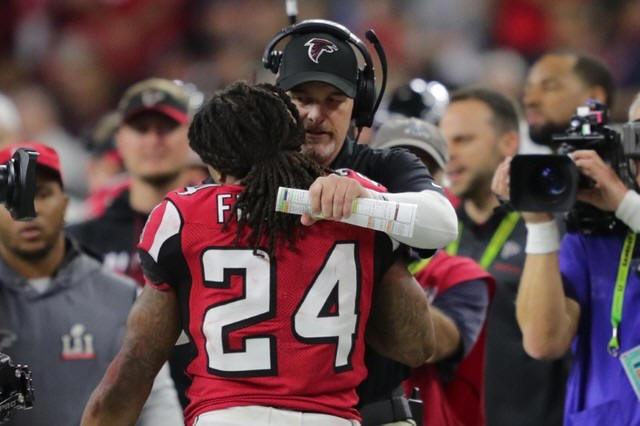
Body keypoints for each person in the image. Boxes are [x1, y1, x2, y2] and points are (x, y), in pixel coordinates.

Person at [81, 81, 437, 426]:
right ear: (293, 139)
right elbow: (417, 345)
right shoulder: (349, 201)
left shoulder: (183, 215)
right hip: (331, 417)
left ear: (215, 159)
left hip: (225, 416)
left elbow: (137, 364)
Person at [265, 21, 458, 424]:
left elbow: (442, 223)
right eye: (301, 98)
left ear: (360, 107)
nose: (315, 115)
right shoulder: (251, 171)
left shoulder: (385, 166)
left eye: (333, 100)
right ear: (276, 101)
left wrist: (365, 199)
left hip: (373, 409)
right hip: (265, 412)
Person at [0, 142, 183, 426]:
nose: (29, 210)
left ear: (65, 203)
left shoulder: (121, 296)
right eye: (13, 197)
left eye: (43, 194)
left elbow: (157, 404)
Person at [491, 125, 640, 426]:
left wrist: (627, 205)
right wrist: (540, 225)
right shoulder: (593, 239)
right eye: (635, 152)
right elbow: (543, 342)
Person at [439, 87, 568, 426]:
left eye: (463, 140)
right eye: (444, 141)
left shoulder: (550, 231)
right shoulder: (436, 231)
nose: (448, 154)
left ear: (508, 142)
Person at [66, 77, 197, 406]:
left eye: (166, 127)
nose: (153, 140)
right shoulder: (80, 240)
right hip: (103, 401)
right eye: (141, 128)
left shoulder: (217, 227)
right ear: (120, 140)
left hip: (198, 402)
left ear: (190, 137)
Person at [371, 117, 495, 426]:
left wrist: (384, 254)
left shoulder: (460, 274)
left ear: (442, 185)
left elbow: (427, 348)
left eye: (424, 172)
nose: (408, 181)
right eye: (397, 165)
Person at [523, 51, 614, 150]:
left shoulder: (624, 158)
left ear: (594, 98)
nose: (530, 100)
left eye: (550, 87)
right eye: (529, 88)